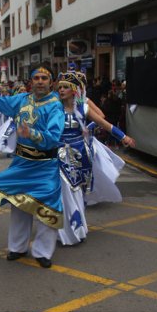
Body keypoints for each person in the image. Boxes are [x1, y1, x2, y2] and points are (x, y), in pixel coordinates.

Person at [0, 60, 65, 268]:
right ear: (30, 81)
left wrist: (31, 133)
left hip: (45, 167)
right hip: (22, 163)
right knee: (19, 205)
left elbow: (53, 137)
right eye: (36, 78)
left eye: (44, 78)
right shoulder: (21, 99)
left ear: (51, 82)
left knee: (47, 208)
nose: (40, 82)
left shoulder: (55, 106)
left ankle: (42, 252)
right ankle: (17, 248)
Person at [56, 69, 135, 245]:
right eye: (59, 87)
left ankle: (78, 228)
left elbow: (104, 123)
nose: (61, 90)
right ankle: (64, 231)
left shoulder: (84, 107)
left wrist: (124, 137)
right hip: (59, 155)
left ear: (74, 90)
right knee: (64, 192)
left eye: (65, 87)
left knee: (76, 191)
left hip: (79, 155)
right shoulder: (53, 107)